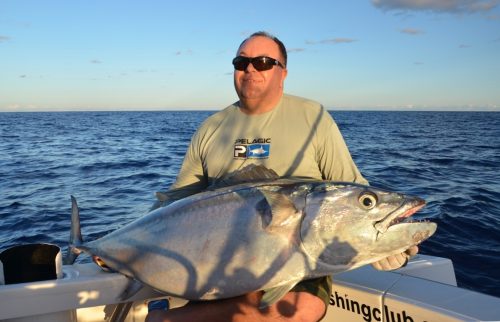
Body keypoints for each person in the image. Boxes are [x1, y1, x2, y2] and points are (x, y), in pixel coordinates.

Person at [146, 31, 417, 322]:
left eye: (262, 62)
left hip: (301, 256)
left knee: (301, 309)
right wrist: (128, 240)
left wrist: (382, 241)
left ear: (283, 73)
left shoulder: (313, 117)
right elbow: (176, 200)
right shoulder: (210, 128)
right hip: (218, 257)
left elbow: (354, 190)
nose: (250, 69)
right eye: (241, 62)